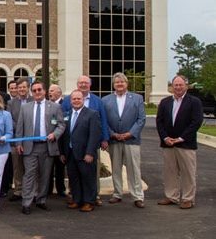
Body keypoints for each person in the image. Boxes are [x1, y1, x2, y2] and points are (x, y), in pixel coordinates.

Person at [15, 80, 65, 214]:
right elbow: (20, 127)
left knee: (45, 175)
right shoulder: (25, 108)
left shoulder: (54, 107)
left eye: (39, 90)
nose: (37, 92)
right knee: (29, 175)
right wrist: (19, 143)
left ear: (44, 91)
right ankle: (26, 202)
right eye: (34, 90)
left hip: (47, 146)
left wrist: (54, 135)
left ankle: (41, 200)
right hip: (29, 147)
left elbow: (61, 125)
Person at [155, 75, 204, 209]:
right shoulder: (165, 102)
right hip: (168, 143)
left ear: (186, 86)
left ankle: (188, 199)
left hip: (186, 144)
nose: (177, 87)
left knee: (188, 172)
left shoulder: (194, 102)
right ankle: (171, 196)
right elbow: (159, 122)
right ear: (172, 87)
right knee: (170, 172)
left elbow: (196, 122)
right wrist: (165, 138)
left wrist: (181, 138)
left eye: (180, 85)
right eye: (175, 85)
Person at [62, 75, 110, 204]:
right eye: (74, 99)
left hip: (86, 150)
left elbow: (97, 131)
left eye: (79, 99)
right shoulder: (68, 111)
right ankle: (77, 199)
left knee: (88, 176)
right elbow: (64, 131)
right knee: (74, 177)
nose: (76, 101)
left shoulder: (94, 108)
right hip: (71, 151)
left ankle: (90, 201)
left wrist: (91, 151)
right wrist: (63, 152)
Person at [102, 72, 147, 208]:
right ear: (113, 85)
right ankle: (117, 193)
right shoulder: (105, 100)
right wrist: (112, 134)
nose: (119, 84)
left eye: (122, 82)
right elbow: (104, 121)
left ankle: (137, 196)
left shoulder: (137, 98)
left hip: (131, 140)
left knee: (134, 169)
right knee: (116, 168)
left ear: (126, 84)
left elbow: (141, 119)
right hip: (114, 140)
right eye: (117, 82)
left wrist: (130, 133)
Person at [6, 77, 31, 201]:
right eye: (19, 87)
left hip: (32, 139)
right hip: (16, 139)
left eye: (23, 87)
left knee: (31, 167)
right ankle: (18, 190)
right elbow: (9, 120)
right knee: (17, 166)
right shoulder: (11, 103)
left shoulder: (33, 100)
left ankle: (31, 191)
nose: (21, 89)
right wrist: (22, 127)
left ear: (28, 88)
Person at [48, 84, 67, 197]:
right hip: (49, 140)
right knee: (48, 167)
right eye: (49, 91)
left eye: (52, 91)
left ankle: (61, 189)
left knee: (60, 166)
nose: (50, 93)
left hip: (60, 140)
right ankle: (48, 189)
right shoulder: (47, 104)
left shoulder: (64, 105)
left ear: (59, 93)